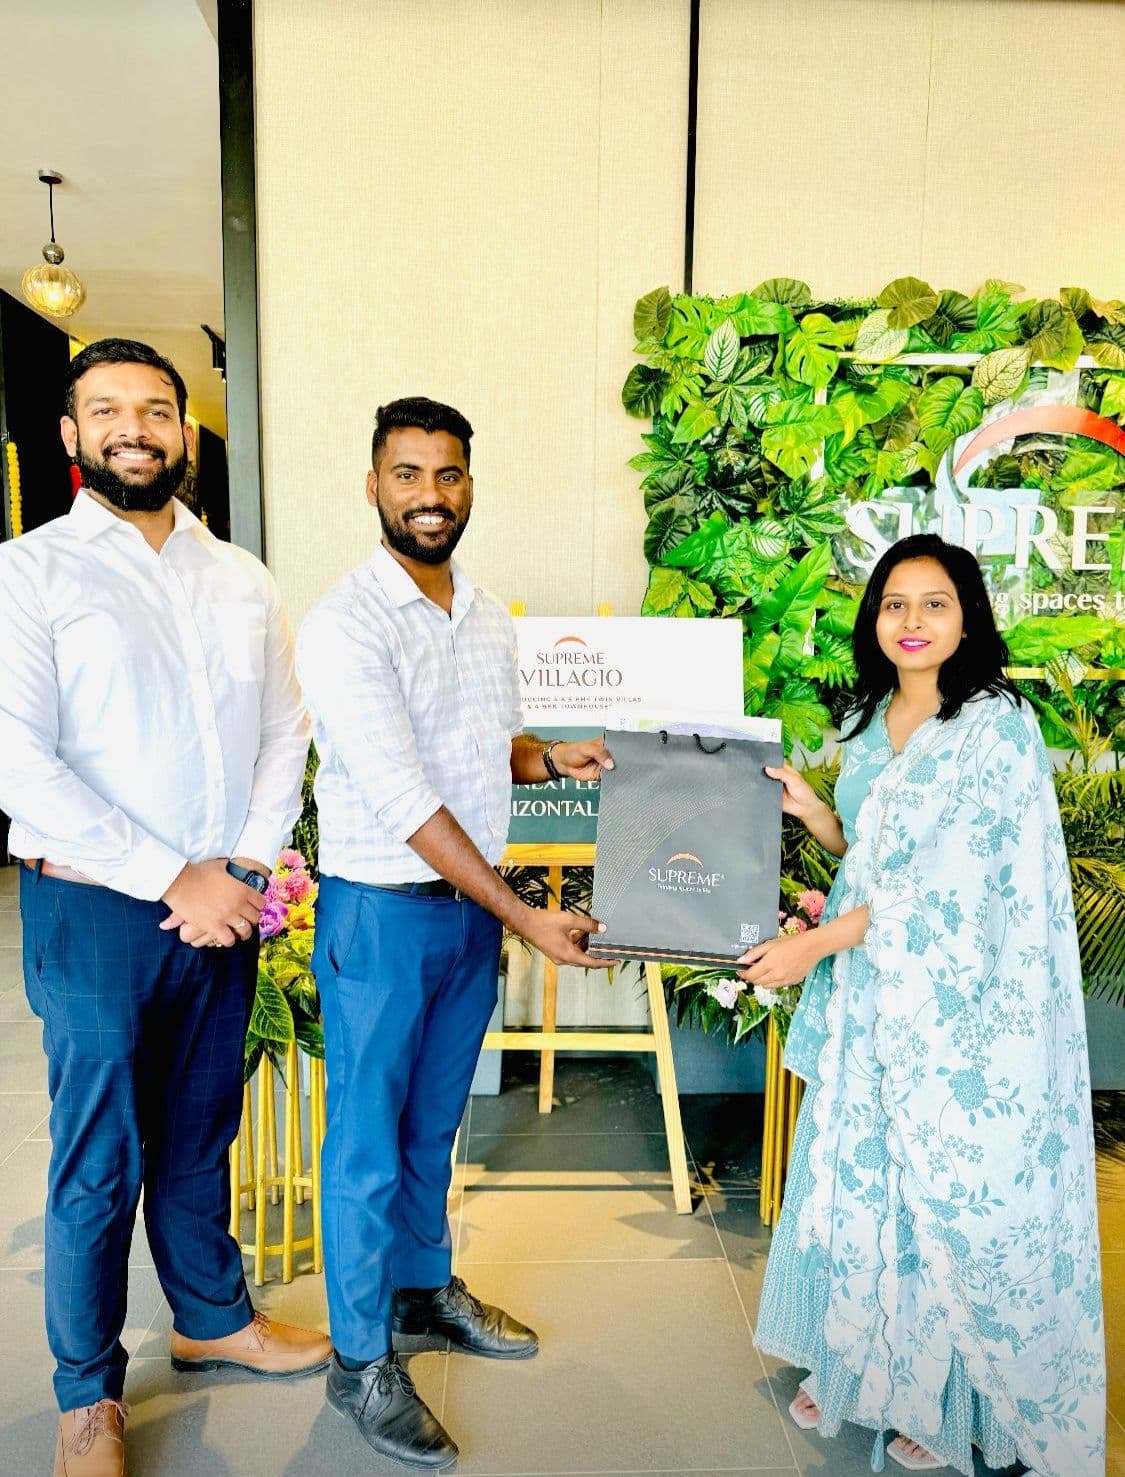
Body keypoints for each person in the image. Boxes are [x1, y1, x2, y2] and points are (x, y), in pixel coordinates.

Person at [0, 340, 332, 1477]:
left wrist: (240, 865)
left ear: (186, 432)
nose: (133, 426)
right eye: (107, 410)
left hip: (224, 905)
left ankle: (211, 1315)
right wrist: (171, 876)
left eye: (155, 408)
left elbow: (287, 730)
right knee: (99, 1155)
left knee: (200, 1133)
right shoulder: (29, 573)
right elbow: (19, 761)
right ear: (70, 435)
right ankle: (86, 1396)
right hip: (94, 910)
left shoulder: (240, 576)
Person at [740, 534, 1104, 1476]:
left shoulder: (994, 725)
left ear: (968, 616)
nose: (909, 622)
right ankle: (859, 1361)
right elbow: (872, 848)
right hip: (875, 994)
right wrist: (813, 813)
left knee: (942, 1190)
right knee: (867, 1175)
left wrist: (811, 945)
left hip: (961, 1009)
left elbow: (951, 887)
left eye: (933, 603)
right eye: (893, 603)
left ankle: (946, 1395)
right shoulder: (869, 718)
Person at [297, 396, 614, 1471]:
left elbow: (478, 744)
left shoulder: (482, 612)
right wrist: (526, 911)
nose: (430, 496)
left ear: (470, 482)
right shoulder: (345, 621)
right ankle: (357, 1357)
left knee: (432, 1128)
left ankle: (423, 1291)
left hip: (463, 920)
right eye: (407, 474)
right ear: (373, 483)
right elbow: (400, 790)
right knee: (365, 1149)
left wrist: (545, 756)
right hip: (382, 915)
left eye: (448, 475)